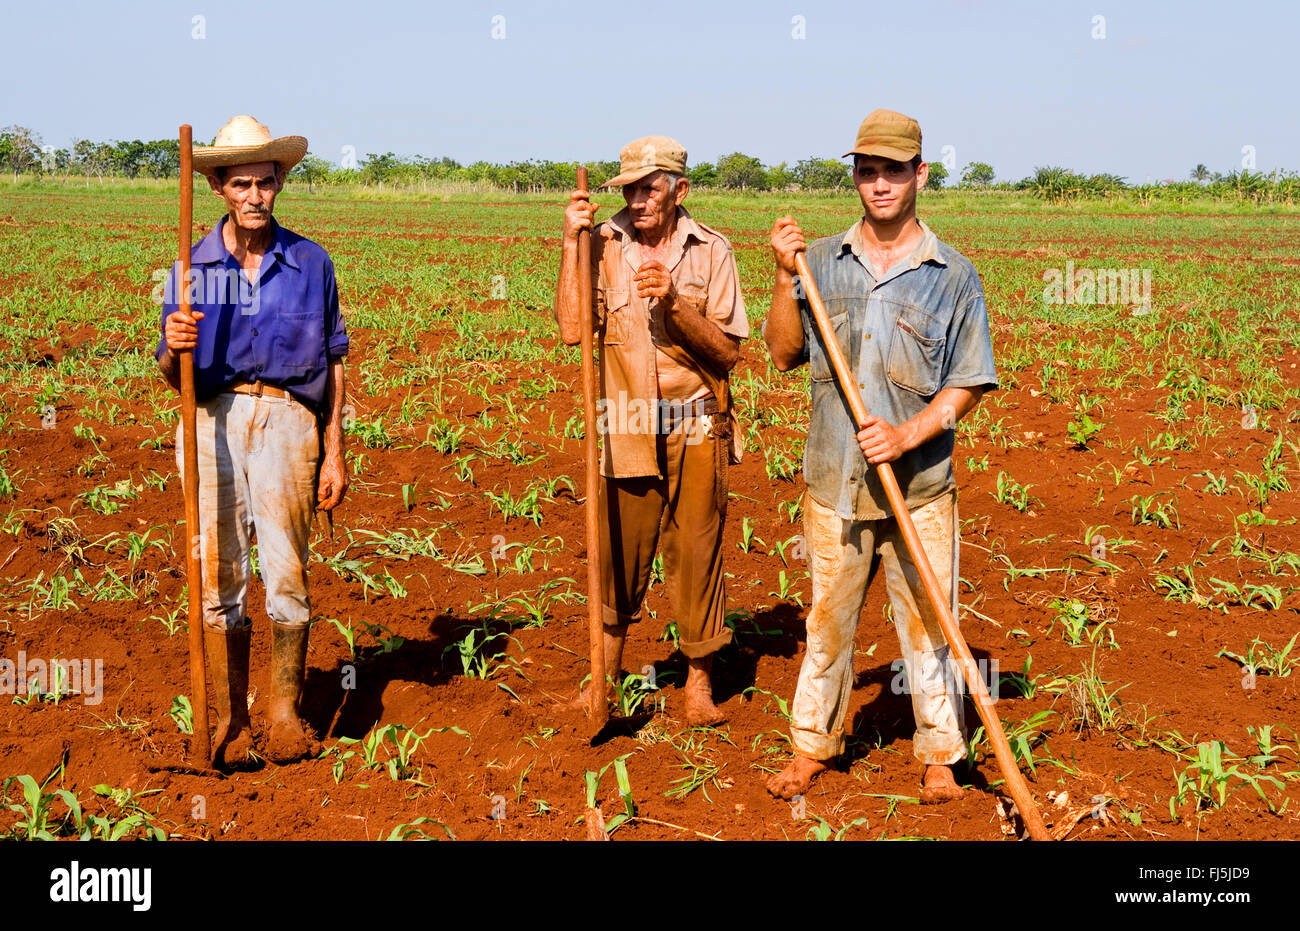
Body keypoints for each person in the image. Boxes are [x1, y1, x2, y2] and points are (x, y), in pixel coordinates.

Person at [762, 109, 998, 803]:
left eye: (893, 170)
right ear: (856, 177)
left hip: (920, 488)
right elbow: (781, 352)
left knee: (929, 620)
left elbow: (968, 383)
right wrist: (782, 277)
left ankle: (939, 754)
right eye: (867, 171)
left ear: (919, 174)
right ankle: (812, 745)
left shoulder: (952, 275)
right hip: (835, 479)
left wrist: (906, 434)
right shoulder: (822, 262)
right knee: (827, 620)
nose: (879, 183)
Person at [155, 115, 349, 766]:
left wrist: (336, 447)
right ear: (217, 186)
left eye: (266, 182)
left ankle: (284, 711)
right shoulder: (191, 267)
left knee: (286, 568)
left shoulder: (311, 262)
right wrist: (173, 347)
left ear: (280, 181)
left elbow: (337, 357)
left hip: (289, 419)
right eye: (242, 184)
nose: (255, 196)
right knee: (220, 570)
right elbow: (166, 368)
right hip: (211, 417)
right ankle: (231, 722)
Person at [553, 136, 748, 725]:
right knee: (619, 548)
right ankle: (602, 681)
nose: (637, 202)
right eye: (629, 190)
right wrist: (570, 243)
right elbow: (570, 328)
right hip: (628, 419)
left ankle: (697, 686)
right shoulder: (601, 243)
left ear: (679, 191)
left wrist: (675, 308)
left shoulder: (711, 251)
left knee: (696, 548)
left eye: (650, 190)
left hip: (694, 417)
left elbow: (729, 353)